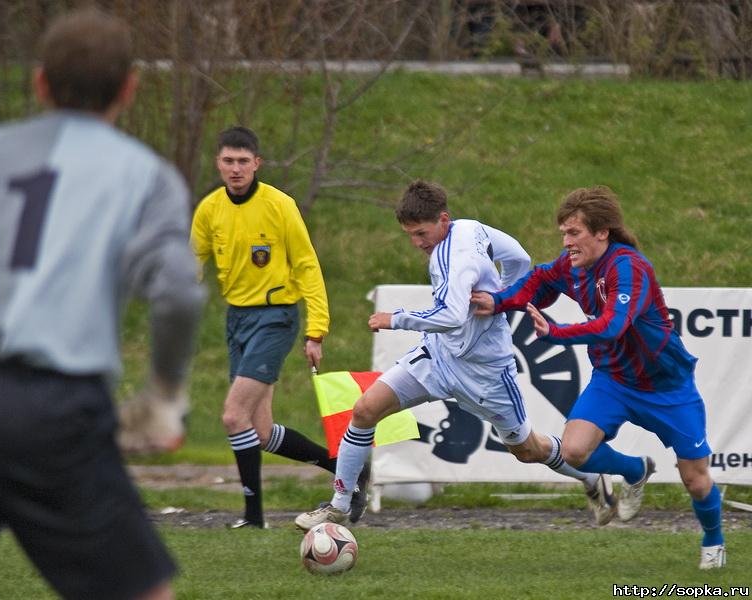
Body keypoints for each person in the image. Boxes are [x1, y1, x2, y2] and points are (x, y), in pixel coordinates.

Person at [0, 9, 205, 600]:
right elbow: (175, 289)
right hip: (56, 409)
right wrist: (163, 395)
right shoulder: (145, 176)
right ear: (130, 87)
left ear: (39, 82)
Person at [295, 180, 616, 531]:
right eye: (410, 235)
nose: (418, 243)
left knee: (527, 449)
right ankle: (340, 505)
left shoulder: (457, 257)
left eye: (421, 233)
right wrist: (505, 293)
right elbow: (519, 257)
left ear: (443, 220)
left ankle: (592, 477)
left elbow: (449, 317)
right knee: (364, 410)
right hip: (438, 357)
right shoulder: (470, 228)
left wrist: (395, 318)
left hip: (485, 371)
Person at [471, 185, 725, 570]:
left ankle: (714, 541)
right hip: (613, 380)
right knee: (573, 451)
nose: (566, 242)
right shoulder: (572, 267)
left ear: (602, 232)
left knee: (696, 480)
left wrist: (555, 333)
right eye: (563, 233)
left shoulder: (629, 268)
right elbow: (539, 280)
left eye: (574, 233)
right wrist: (499, 302)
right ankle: (635, 470)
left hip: (667, 388)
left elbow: (612, 327)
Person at [191, 126, 368, 529]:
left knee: (234, 416)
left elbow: (307, 265)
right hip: (236, 318)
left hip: (276, 317)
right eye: (227, 161)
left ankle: (254, 518)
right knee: (262, 429)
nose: (235, 169)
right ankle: (348, 469)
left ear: (257, 164)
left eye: (243, 161)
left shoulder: (280, 205)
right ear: (218, 163)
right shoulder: (210, 209)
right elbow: (193, 261)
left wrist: (316, 330)